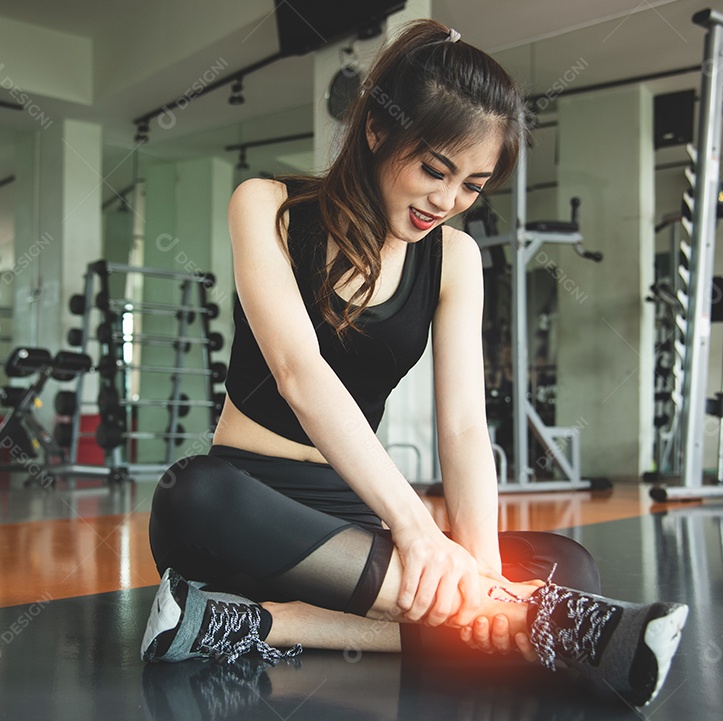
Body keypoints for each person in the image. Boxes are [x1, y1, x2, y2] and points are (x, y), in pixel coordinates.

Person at [140, 19, 688, 708]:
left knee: (565, 561)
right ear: (376, 130)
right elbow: (299, 374)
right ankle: (526, 622)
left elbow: (462, 427)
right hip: (251, 507)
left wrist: (481, 565)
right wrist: (418, 530)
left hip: (355, 516)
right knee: (192, 493)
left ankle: (263, 622)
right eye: (435, 169)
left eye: (472, 185)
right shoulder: (269, 206)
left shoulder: (456, 257)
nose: (448, 199)